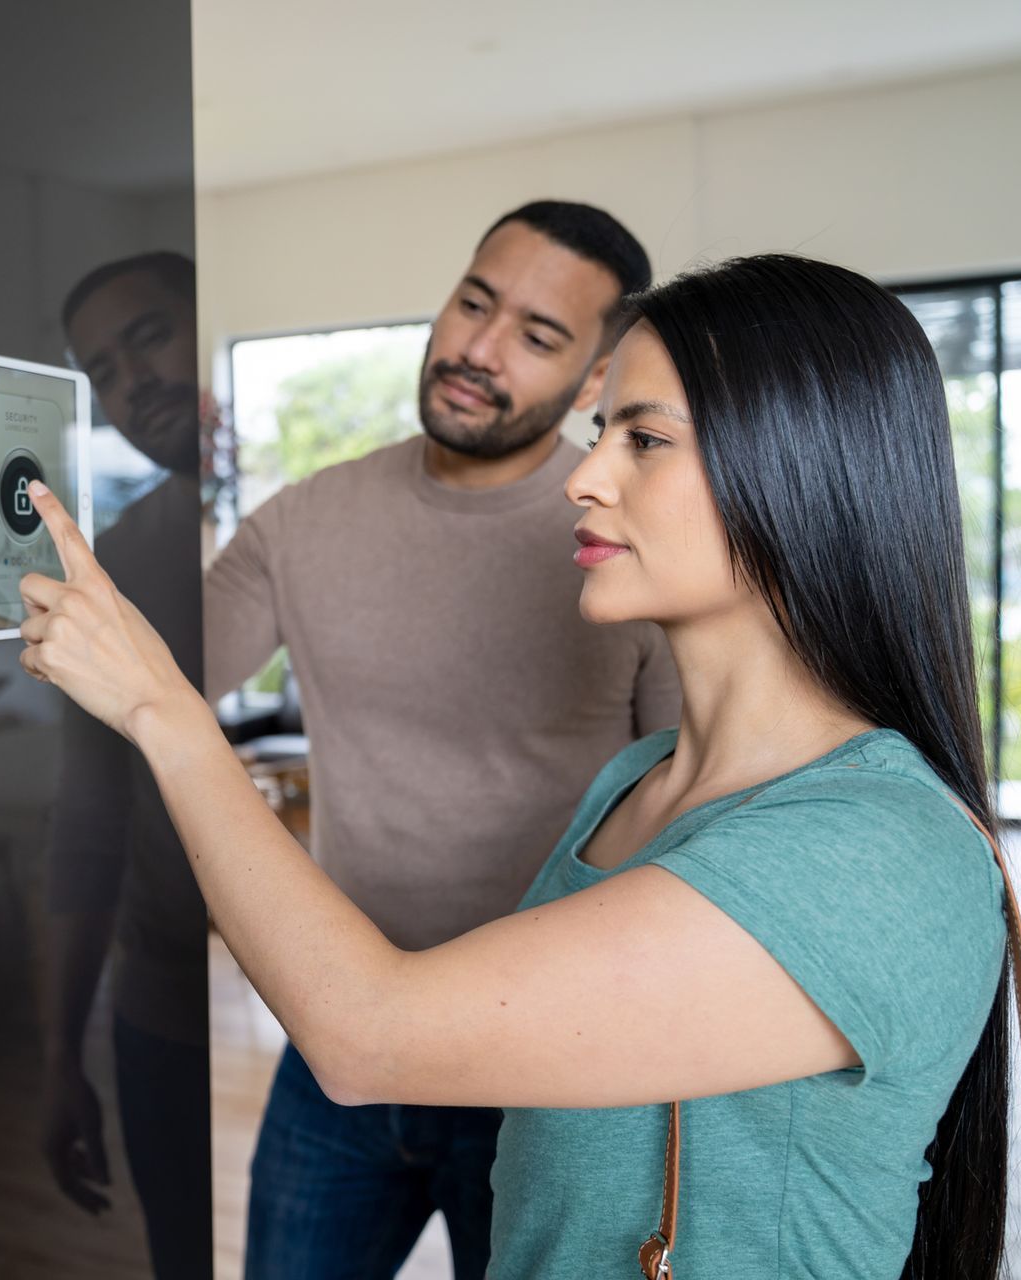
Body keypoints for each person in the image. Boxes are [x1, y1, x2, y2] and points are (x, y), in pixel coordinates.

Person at [13, 253, 1016, 1277]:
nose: (585, 476)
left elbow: (366, 1031)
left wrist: (163, 708)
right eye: (602, 432)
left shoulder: (874, 851)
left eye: (647, 439)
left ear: (806, 470)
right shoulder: (633, 781)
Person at [203, 201, 679, 1278]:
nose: (476, 347)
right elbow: (152, 674)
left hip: (543, 1066)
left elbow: (691, 823)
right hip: (338, 1045)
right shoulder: (302, 520)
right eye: (476, 302)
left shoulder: (630, 551)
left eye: (538, 335)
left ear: (596, 377)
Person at [39, 252, 212, 1278]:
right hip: (167, 1016)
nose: (132, 381)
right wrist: (61, 1050)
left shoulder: (336, 512)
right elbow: (89, 818)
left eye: (149, 335)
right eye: (100, 369)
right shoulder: (118, 562)